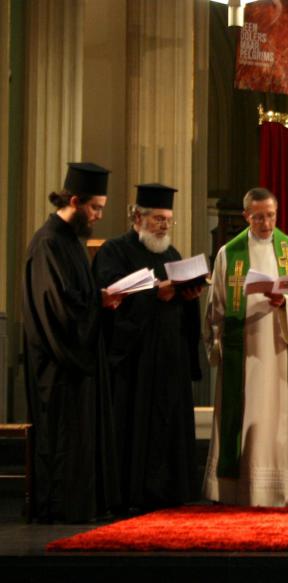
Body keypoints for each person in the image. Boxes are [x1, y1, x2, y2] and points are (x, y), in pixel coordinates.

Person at [203, 187, 288, 506]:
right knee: (242, 413)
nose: (267, 223)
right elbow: (214, 306)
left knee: (280, 416)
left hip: (282, 348)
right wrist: (217, 337)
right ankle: (238, 488)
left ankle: (282, 488)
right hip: (244, 351)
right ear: (246, 216)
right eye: (259, 217)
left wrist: (287, 303)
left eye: (271, 216)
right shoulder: (229, 253)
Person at [92, 183, 203, 513]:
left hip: (169, 358)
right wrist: (155, 294)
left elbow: (181, 309)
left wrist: (188, 296)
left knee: (167, 423)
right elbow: (110, 301)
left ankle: (168, 491)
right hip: (134, 361)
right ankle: (132, 495)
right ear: (137, 218)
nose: (164, 226)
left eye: (168, 219)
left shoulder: (171, 255)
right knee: (133, 427)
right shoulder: (115, 251)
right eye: (157, 219)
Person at [22, 162, 122, 523]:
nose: (98, 216)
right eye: (95, 207)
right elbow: (58, 308)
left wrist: (100, 298)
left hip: (74, 358)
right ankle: (60, 508)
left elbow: (76, 296)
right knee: (63, 438)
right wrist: (98, 301)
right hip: (58, 363)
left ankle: (81, 505)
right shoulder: (49, 242)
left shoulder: (70, 242)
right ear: (75, 201)